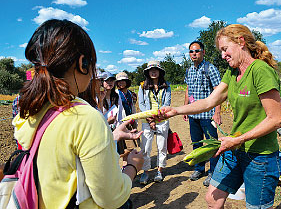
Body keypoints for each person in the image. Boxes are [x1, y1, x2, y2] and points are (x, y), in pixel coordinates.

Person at [13, 19, 144, 208]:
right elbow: (111, 197)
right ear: (83, 63)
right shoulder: (84, 116)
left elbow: (64, 154)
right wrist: (133, 166)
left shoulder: (32, 110)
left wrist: (112, 135)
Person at [157, 24, 281, 209]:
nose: (223, 55)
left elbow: (275, 119)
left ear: (241, 42)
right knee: (212, 199)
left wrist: (238, 139)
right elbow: (209, 101)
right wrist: (176, 110)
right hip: (235, 148)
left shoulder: (260, 70)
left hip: (259, 155)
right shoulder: (232, 72)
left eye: (225, 49)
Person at [184, 40, 222, 186]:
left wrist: (217, 112)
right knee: (196, 143)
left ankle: (213, 172)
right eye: (191, 51)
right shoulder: (189, 70)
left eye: (197, 51)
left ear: (203, 52)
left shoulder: (210, 68)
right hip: (194, 115)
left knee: (212, 144)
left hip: (208, 114)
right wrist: (185, 108)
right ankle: (199, 168)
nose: (194, 54)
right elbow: (188, 90)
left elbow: (218, 91)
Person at [138, 61, 171, 184]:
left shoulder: (166, 85)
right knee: (145, 147)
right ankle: (145, 172)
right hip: (147, 119)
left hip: (162, 119)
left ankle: (160, 170)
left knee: (162, 146)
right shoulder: (142, 86)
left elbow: (167, 103)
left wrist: (158, 118)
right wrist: (150, 119)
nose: (153, 72)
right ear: (147, 72)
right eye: (151, 70)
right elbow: (141, 104)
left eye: (156, 70)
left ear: (160, 72)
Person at [115, 72, 140, 155]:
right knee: (127, 146)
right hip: (123, 121)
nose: (121, 83)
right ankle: (127, 163)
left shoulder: (130, 93)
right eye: (119, 81)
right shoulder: (116, 94)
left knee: (135, 141)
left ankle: (134, 160)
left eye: (123, 81)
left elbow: (133, 105)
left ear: (127, 82)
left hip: (132, 120)